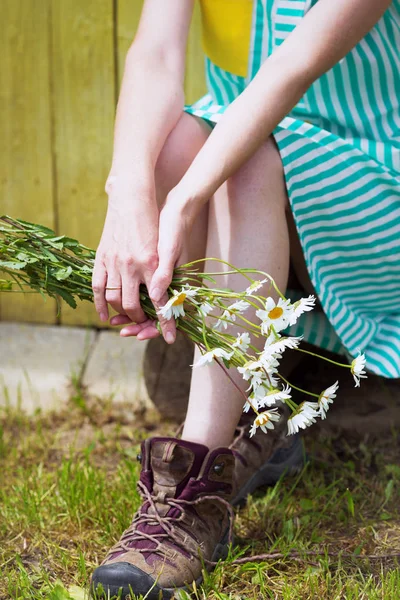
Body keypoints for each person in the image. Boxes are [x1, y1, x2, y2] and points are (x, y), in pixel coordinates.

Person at [90, 1, 400, 597]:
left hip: (374, 178)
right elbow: (155, 52)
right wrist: (128, 190)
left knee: (242, 161)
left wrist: (182, 202)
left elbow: (292, 70)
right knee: (172, 141)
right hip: (254, 156)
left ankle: (194, 488)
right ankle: (261, 421)